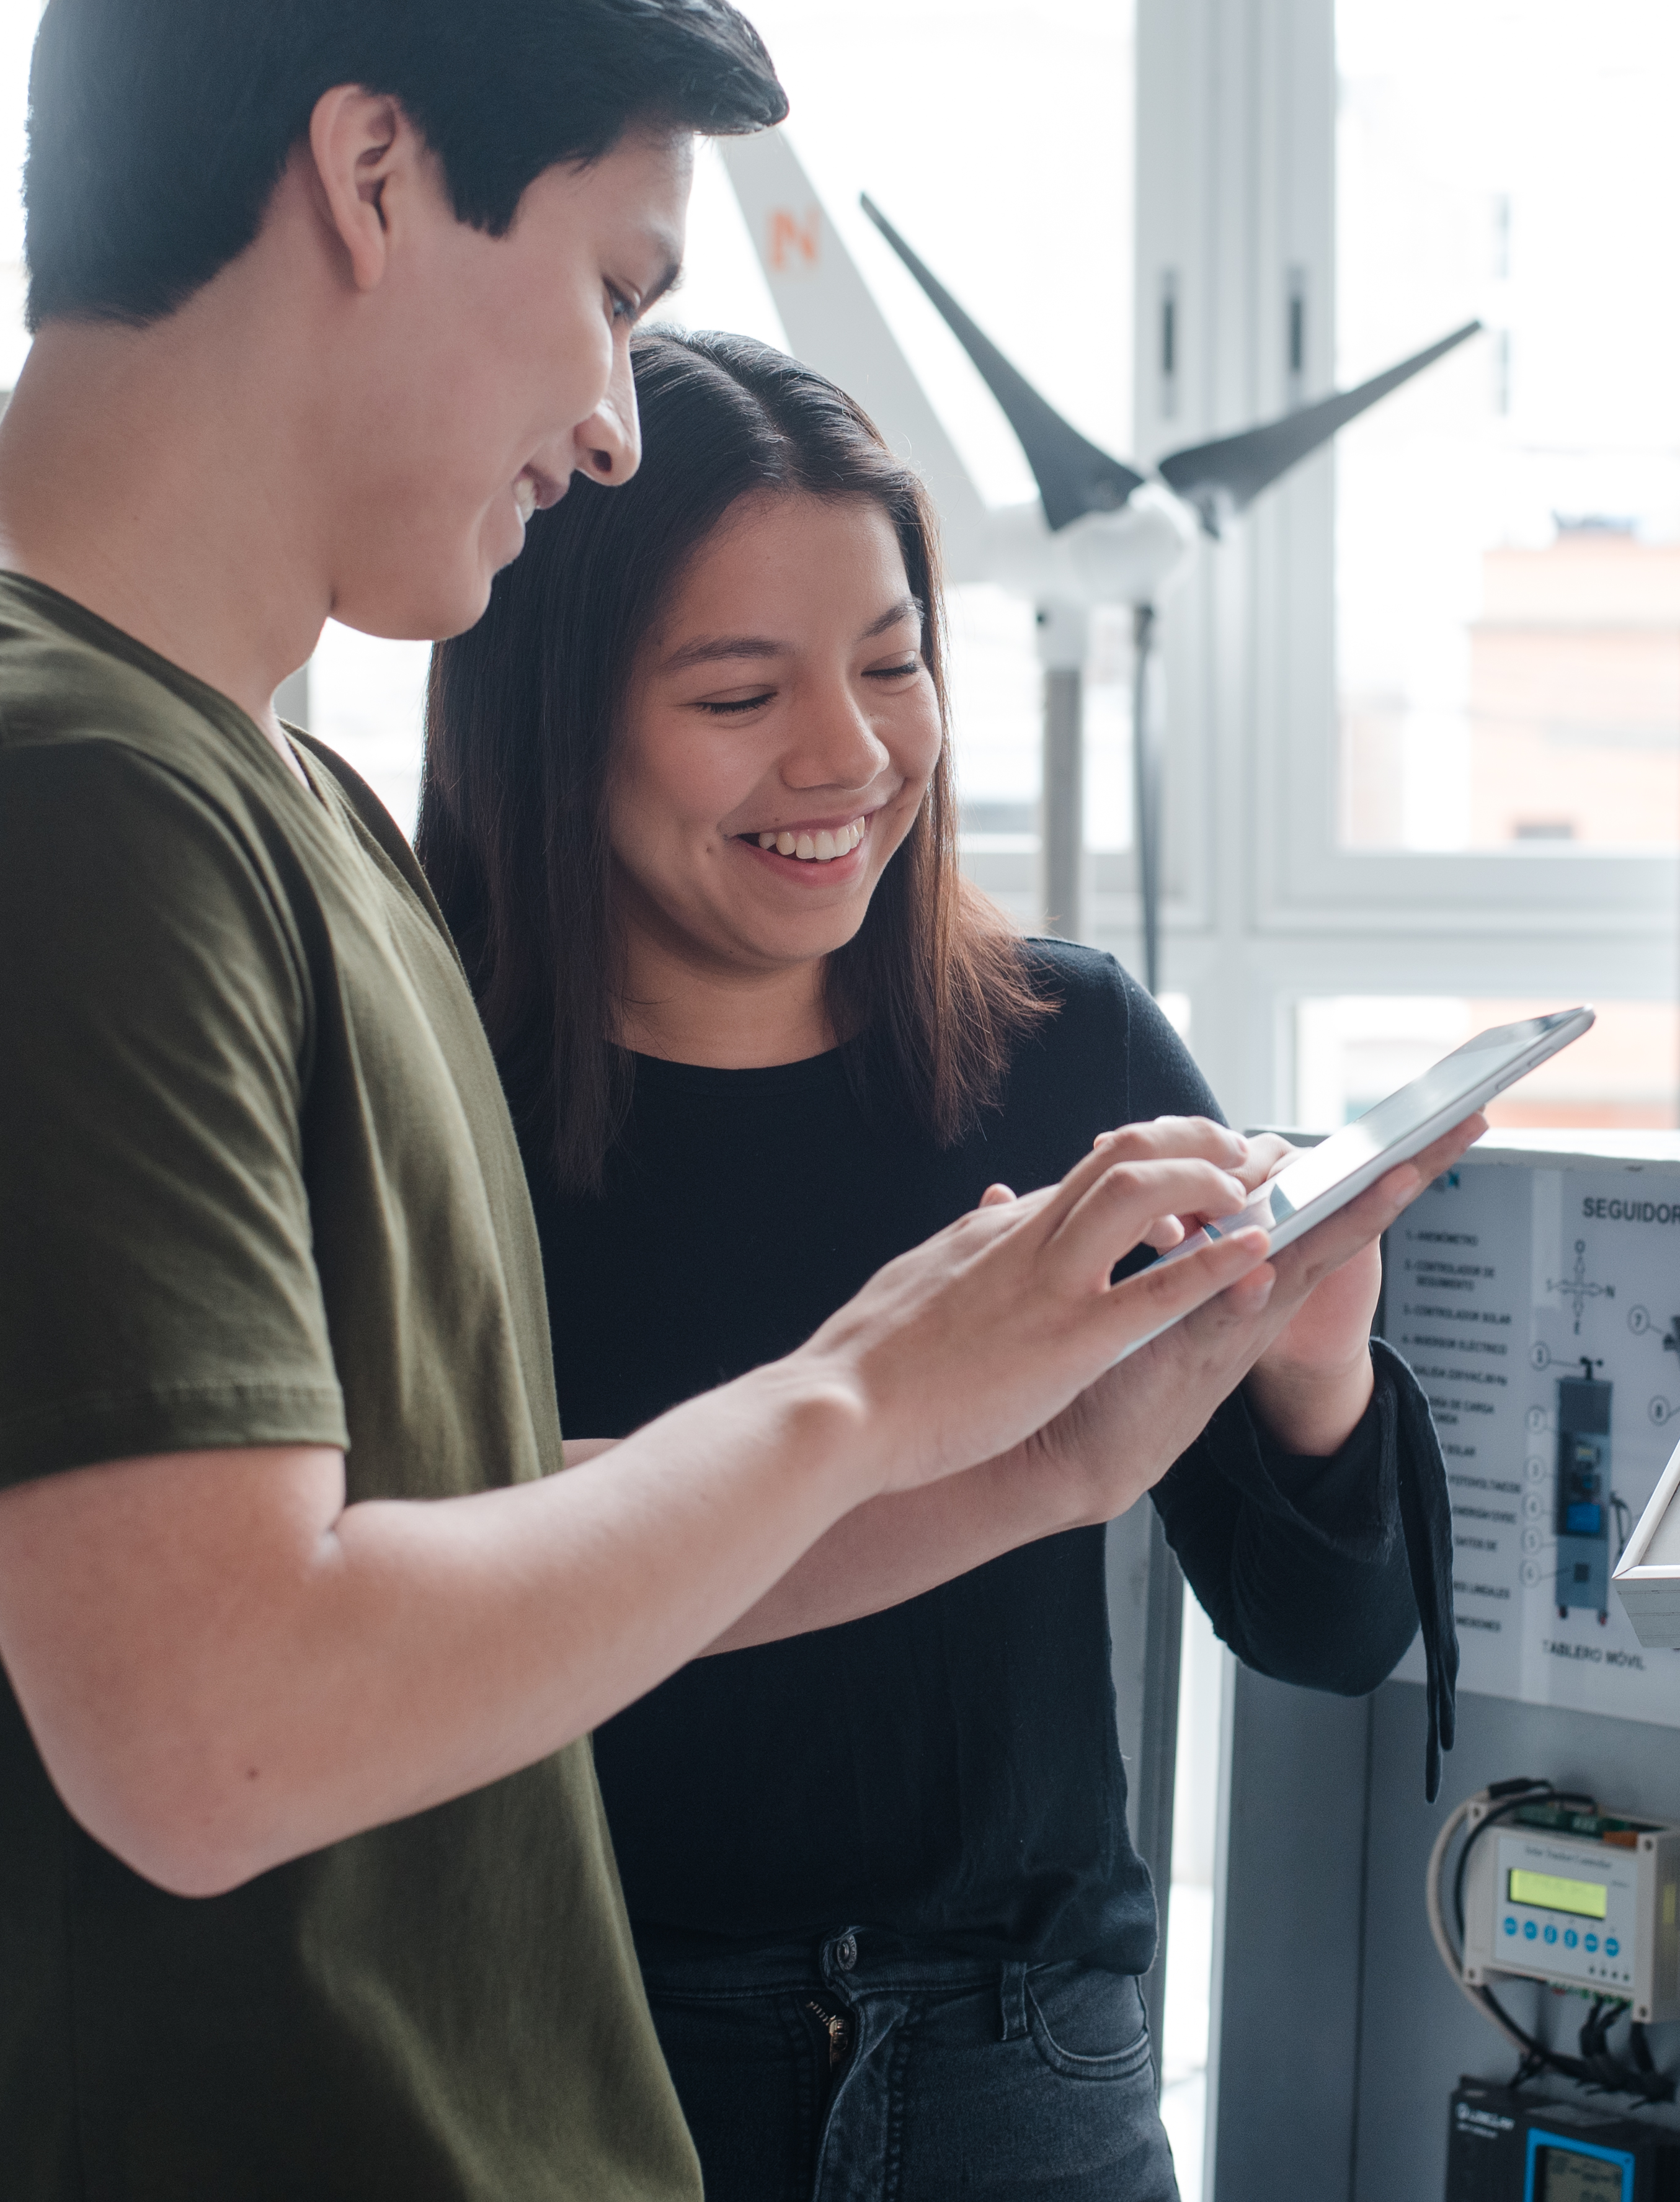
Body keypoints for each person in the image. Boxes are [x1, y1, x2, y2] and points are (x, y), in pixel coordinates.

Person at [0, 0, 1451, 2198]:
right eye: (614, 292)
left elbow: (477, 1547)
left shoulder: (254, 794)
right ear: (373, 171)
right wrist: (849, 1396)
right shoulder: (25, 790)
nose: (614, 421)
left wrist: (1010, 1452)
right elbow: (218, 1725)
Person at [417, 326, 1462, 2201]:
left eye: (895, 664)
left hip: (1023, 2066)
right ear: (553, 711)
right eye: (739, 695)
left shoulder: (1074, 1053)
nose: (851, 753)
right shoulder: (428, 1096)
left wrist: (1314, 1369)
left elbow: (1330, 1641)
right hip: (582, 2063)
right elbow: (412, 1601)